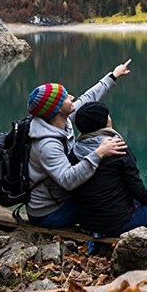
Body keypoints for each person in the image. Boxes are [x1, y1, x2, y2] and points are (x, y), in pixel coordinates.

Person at [26, 60, 132, 228]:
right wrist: (99, 152)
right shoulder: (46, 145)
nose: (72, 97)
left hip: (61, 197)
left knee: (110, 195)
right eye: (66, 97)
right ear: (57, 108)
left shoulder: (62, 119)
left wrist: (113, 75)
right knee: (109, 203)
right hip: (49, 212)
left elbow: (88, 97)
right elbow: (68, 180)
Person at [69, 101, 147, 237]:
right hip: (115, 224)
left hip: (87, 223)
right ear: (103, 122)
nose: (110, 117)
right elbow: (134, 183)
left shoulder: (76, 149)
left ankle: (96, 242)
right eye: (107, 115)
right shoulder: (117, 148)